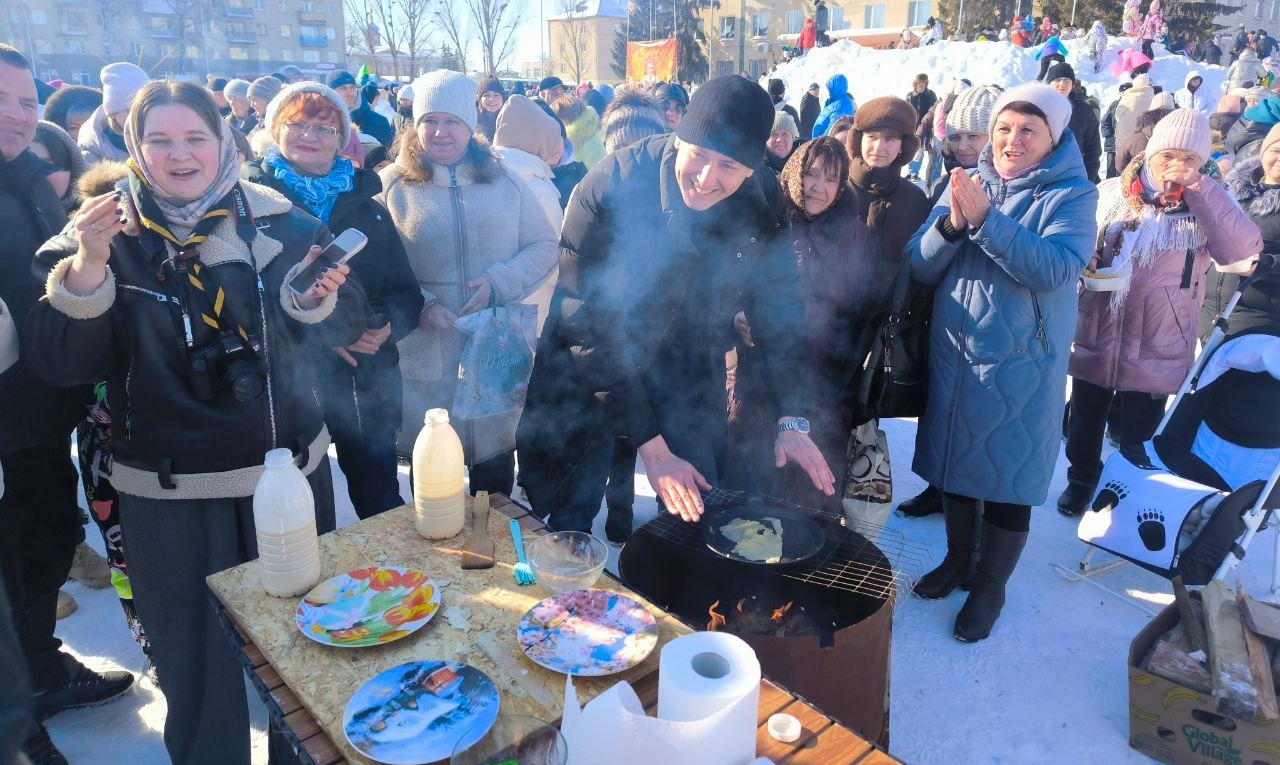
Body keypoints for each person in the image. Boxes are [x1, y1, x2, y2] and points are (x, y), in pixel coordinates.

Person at [25, 79, 365, 765]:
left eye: (194, 138)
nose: (179, 155)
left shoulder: (283, 224)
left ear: (224, 141)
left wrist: (312, 300)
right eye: (160, 140)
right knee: (196, 670)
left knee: (305, 652)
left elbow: (350, 324)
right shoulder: (101, 232)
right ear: (134, 148)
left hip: (285, 478)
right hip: (169, 495)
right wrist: (89, 266)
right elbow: (61, 362)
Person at [516, 75, 834, 534]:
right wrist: (651, 444)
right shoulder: (609, 187)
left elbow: (781, 311)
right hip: (592, 367)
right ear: (678, 135)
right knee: (571, 512)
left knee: (700, 507)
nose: (706, 178)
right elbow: (586, 324)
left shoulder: (763, 202)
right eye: (699, 154)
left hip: (688, 364)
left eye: (728, 165)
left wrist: (793, 416)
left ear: (750, 169)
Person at [908, 83, 1099, 642]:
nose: (1012, 140)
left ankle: (990, 584)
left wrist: (987, 221)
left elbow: (1057, 268)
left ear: (1053, 137)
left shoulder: (1072, 194)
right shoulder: (968, 181)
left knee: (1009, 477)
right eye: (1003, 129)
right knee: (957, 463)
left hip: (1023, 362)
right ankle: (958, 561)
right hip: (956, 355)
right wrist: (951, 225)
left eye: (1028, 130)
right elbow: (917, 265)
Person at [0, 45, 133, 765]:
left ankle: (40, 671)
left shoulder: (32, 178)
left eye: (26, 101)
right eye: (1, 99)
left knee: (42, 543)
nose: (17, 115)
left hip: (42, 414)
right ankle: (12, 723)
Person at [1058, 109, 1263, 518]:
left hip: (1160, 334)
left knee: (1140, 431)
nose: (1177, 165)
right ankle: (1081, 481)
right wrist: (1088, 259)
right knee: (1084, 419)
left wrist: (1201, 189)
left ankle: (1125, 492)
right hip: (1100, 323)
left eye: (1190, 158)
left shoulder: (1209, 202)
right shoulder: (1113, 192)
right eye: (1168, 155)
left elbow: (1241, 253)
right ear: (1151, 153)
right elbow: (1082, 239)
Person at [242, 81, 423, 521]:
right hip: (288, 383)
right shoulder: (249, 206)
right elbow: (244, 300)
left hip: (367, 377)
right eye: (296, 124)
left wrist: (383, 328)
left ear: (341, 139)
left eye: (324, 128)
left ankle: (386, 563)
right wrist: (330, 334)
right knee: (296, 506)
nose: (310, 136)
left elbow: (404, 291)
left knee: (380, 499)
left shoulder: (369, 207)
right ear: (275, 130)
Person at [380, 70, 558, 490]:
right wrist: (420, 303)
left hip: (494, 348)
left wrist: (500, 281)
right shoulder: (392, 186)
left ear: (470, 124)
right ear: (416, 124)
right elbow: (376, 265)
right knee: (432, 471)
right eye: (430, 120)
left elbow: (545, 246)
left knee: (494, 468)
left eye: (452, 121)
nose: (440, 132)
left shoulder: (504, 179)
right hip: (425, 351)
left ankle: (492, 531)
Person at [898, 85, 1003, 518]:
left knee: (982, 423)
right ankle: (938, 486)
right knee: (942, 408)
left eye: (974, 135)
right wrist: (949, 228)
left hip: (996, 324)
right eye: (955, 136)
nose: (962, 145)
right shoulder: (953, 181)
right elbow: (919, 255)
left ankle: (975, 506)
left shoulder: (1019, 185)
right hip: (951, 315)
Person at [1210, 123, 1280, 335]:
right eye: (1276, 150)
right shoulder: (1228, 191)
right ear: (1264, 151)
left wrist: (1262, 264)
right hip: (1205, 307)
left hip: (1258, 317)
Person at [843, 96, 932, 261]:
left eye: (890, 139)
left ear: (902, 147)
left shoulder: (915, 201)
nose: (879, 147)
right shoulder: (836, 190)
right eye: (872, 137)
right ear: (859, 140)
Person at [79, 62, 148, 166]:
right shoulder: (92, 154)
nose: (143, 115)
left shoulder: (160, 133)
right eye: (131, 110)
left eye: (148, 108)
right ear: (112, 114)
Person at [1045, 63, 1103, 184]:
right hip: (1043, 174)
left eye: (1067, 80)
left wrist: (1089, 177)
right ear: (1049, 83)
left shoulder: (1084, 110)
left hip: (1075, 175)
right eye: (1057, 80)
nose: (1062, 84)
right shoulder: (1039, 108)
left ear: (1072, 84)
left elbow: (1093, 148)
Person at [329, 70, 394, 148]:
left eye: (352, 87)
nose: (350, 93)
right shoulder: (321, 121)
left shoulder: (380, 122)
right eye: (343, 88)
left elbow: (389, 153)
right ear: (331, 92)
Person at [1115, 96, 1174, 174]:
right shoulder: (1181, 137)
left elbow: (1120, 162)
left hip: (1140, 180)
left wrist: (1132, 176)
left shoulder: (1137, 137)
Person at [552, 95, 606, 169]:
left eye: (556, 118)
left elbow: (601, 174)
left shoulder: (592, 145)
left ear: (565, 117)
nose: (554, 123)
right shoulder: (569, 141)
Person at [906, 74, 937, 182]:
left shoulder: (931, 95)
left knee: (920, 150)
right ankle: (910, 172)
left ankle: (914, 173)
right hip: (912, 127)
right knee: (911, 149)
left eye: (924, 83)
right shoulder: (910, 96)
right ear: (916, 83)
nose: (922, 85)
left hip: (925, 128)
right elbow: (905, 110)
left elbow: (934, 110)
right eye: (920, 82)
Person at [812, 73, 856, 138]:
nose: (828, 91)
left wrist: (820, 140)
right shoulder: (835, 101)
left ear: (836, 89)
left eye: (830, 89)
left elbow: (833, 128)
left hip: (825, 141)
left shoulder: (841, 105)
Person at [476, 76, 507, 143]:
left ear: (503, 99)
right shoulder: (471, 118)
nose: (491, 99)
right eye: (486, 95)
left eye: (496, 95)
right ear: (480, 99)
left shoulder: (510, 119)